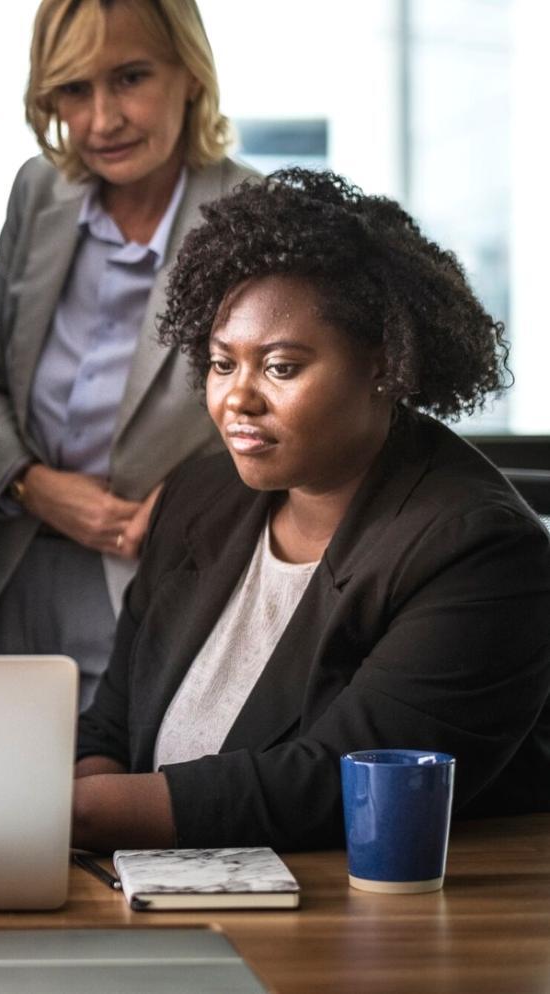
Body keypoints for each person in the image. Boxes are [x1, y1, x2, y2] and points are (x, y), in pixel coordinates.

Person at [73, 169, 550, 853]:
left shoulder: (477, 549)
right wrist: (90, 835)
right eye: (220, 363)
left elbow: (335, 786)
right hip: (153, 894)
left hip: (362, 924)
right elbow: (112, 726)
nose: (237, 399)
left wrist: (83, 817)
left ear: (384, 365)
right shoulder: (197, 498)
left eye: (281, 367)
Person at [0, 0, 255, 706]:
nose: (100, 120)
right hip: (6, 575)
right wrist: (31, 483)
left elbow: (284, 426)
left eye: (130, 78)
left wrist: (177, 504)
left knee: (106, 810)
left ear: (190, 73)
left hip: (159, 582)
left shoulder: (249, 215)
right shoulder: (38, 188)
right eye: (74, 89)